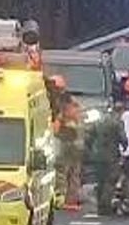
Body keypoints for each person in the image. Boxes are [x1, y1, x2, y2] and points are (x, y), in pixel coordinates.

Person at [84, 105, 125, 216]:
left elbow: (88, 137)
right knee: (110, 180)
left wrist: (89, 150)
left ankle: (99, 206)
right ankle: (105, 205)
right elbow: (123, 138)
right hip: (111, 156)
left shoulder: (98, 122)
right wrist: (124, 148)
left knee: (100, 180)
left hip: (97, 156)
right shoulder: (117, 123)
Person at [52, 79, 84, 211]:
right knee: (74, 173)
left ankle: (61, 198)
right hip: (76, 142)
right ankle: (72, 200)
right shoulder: (74, 104)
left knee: (62, 172)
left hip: (65, 142)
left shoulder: (62, 105)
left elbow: (56, 127)